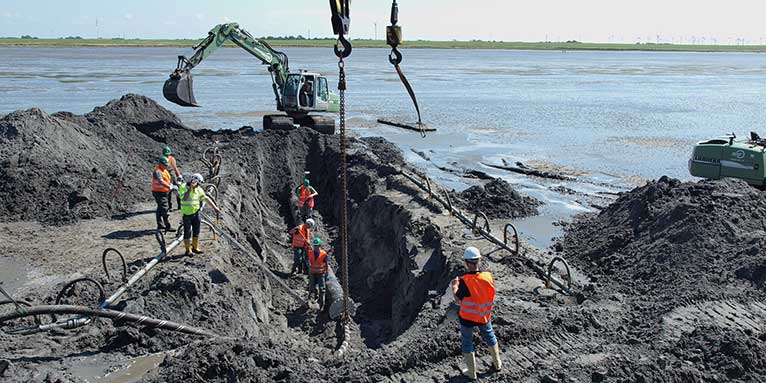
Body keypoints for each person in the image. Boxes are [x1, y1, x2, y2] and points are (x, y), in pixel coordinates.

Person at [451, 246, 502, 380]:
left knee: (467, 341)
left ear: (467, 263)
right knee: (490, 336)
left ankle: (471, 372)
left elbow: (457, 299)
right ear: (478, 261)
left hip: (467, 317)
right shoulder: (488, 276)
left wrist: (455, 286)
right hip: (484, 314)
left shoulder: (465, 281)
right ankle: (497, 364)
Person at [179, 173, 221, 256]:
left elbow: (205, 198)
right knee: (187, 232)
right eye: (197, 183)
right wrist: (190, 189)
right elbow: (184, 198)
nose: (197, 185)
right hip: (187, 215)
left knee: (196, 231)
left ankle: (195, 247)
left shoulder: (198, 188)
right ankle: (188, 250)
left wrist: (215, 207)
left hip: (196, 213)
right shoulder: (183, 187)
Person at [151, 156, 176, 231]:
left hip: (164, 192)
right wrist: (170, 186)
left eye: (167, 165)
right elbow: (161, 181)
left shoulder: (164, 170)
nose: (166, 166)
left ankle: (160, 225)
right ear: (160, 164)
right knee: (164, 208)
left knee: (160, 208)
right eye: (165, 165)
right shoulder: (157, 171)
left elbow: (167, 179)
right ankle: (167, 225)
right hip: (158, 192)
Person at [307, 237, 328, 308]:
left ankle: (322, 304)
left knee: (322, 289)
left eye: (317, 245)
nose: (315, 247)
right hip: (312, 273)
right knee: (311, 287)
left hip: (321, 273)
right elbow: (307, 260)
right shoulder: (310, 252)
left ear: (320, 246)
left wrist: (326, 273)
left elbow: (326, 264)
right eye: (314, 245)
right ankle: (310, 300)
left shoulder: (323, 254)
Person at [163, 145, 182, 211]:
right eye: (166, 155)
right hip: (166, 176)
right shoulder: (162, 160)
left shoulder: (172, 159)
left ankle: (180, 205)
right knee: (168, 192)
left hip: (172, 174)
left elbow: (175, 168)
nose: (167, 156)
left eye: (168, 155)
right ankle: (169, 206)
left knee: (178, 190)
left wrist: (179, 176)